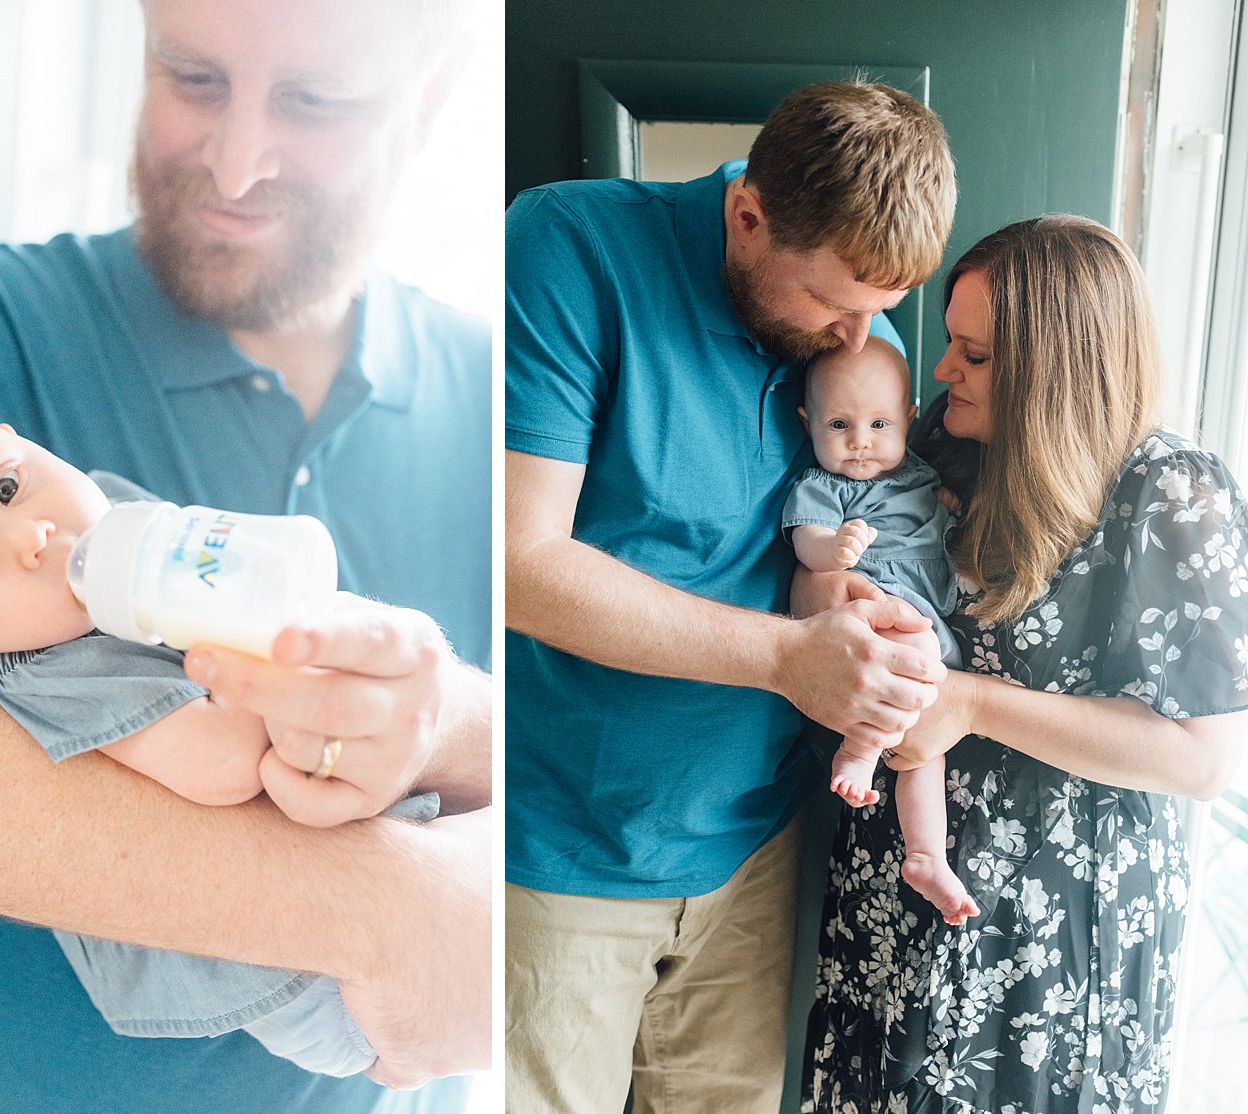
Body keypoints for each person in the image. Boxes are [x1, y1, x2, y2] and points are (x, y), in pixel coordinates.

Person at [0, 0, 493, 1110]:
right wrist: (399, 914)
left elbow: (546, 773)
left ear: (430, 100)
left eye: (311, 101)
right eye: (191, 76)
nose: (236, 163)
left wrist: (441, 719)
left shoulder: (489, 404)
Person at [505, 78, 957, 1113]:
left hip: (756, 848)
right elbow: (517, 563)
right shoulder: (568, 249)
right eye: (833, 304)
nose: (854, 341)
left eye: (878, 312)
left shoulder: (842, 321)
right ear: (749, 217)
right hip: (560, 854)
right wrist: (785, 658)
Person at [0, 396, 450, 1079]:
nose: (31, 538)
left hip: (362, 875)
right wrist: (260, 658)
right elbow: (221, 763)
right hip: (304, 988)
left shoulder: (114, 522)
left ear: (21, 443)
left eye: (6, 487)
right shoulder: (46, 670)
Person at [801, 215, 1248, 1114]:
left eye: (973, 353)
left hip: (1053, 931)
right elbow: (843, 568)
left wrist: (970, 702)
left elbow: (1204, 760)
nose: (940, 371)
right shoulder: (939, 444)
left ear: (1056, 367)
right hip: (895, 899)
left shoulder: (1167, 490)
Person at [783, 338, 978, 927]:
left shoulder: (920, 474)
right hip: (884, 613)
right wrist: (831, 547)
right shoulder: (828, 485)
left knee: (927, 740)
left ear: (909, 418)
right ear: (808, 423)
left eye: (879, 424)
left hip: (927, 617)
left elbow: (937, 515)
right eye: (839, 424)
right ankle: (860, 750)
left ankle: (926, 853)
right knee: (912, 677)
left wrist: (947, 507)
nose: (860, 441)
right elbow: (806, 538)